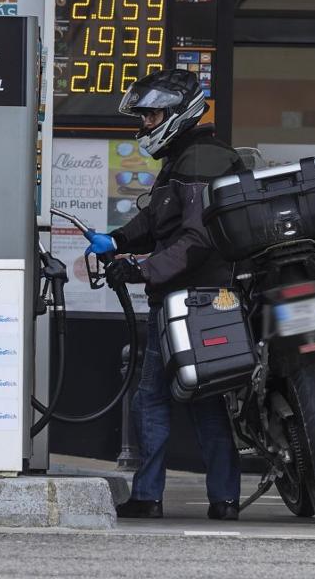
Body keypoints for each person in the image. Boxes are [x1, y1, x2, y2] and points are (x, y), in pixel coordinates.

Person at [82, 69, 245, 521]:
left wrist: (140, 269)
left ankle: (149, 496)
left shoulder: (198, 161)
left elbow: (195, 239)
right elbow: (159, 221)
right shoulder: (190, 157)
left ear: (179, 114)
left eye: (153, 114)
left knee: (153, 396)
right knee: (206, 399)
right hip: (201, 298)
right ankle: (224, 500)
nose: (146, 124)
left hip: (191, 301)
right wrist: (115, 241)